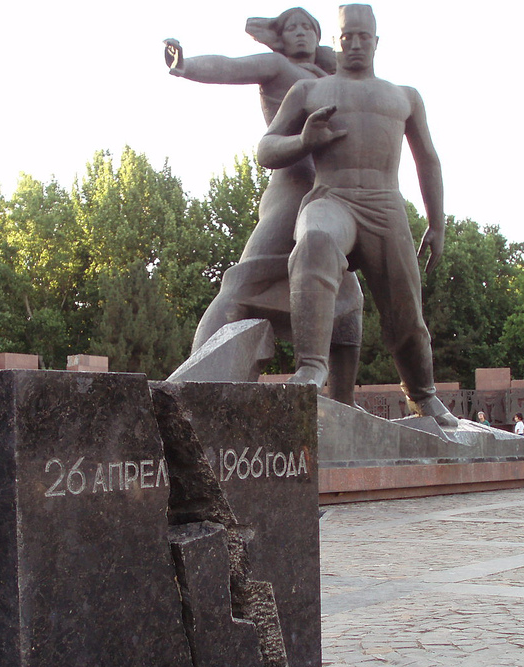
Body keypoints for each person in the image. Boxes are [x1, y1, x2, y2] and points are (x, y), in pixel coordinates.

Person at [256, 3, 457, 427]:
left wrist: (437, 224)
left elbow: (429, 161)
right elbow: (266, 149)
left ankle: (423, 394)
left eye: (365, 36)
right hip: (333, 196)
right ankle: (311, 367)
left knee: (406, 309)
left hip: (386, 207)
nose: (356, 44)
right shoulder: (310, 92)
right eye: (348, 37)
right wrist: (303, 141)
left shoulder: (404, 96)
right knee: (314, 242)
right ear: (337, 40)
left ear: (377, 41)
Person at [164, 8, 365, 405]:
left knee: (347, 293)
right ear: (279, 37)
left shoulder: (333, 81)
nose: (302, 34)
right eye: (292, 28)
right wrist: (186, 66)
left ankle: (343, 403)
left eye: (310, 27)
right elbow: (230, 67)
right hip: (291, 189)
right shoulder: (277, 67)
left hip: (329, 199)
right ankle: (193, 384)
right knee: (242, 283)